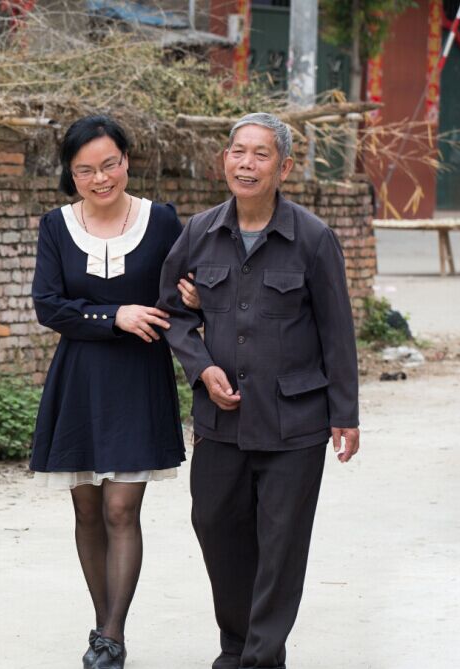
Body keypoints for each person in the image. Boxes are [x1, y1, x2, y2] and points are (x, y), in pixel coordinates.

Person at [157, 112, 361, 669]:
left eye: (261, 154)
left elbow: (337, 332)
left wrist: (345, 414)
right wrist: (202, 368)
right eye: (238, 152)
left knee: (281, 544)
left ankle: (258, 658)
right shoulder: (199, 233)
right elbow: (173, 312)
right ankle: (238, 643)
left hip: (295, 420)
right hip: (221, 422)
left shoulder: (313, 239)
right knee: (214, 526)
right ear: (224, 159)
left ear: (284, 167)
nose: (246, 164)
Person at [30, 115, 199, 669]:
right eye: (85, 170)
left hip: (138, 376)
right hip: (79, 378)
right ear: (70, 173)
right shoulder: (56, 226)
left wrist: (194, 299)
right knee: (87, 511)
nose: (100, 178)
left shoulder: (161, 221)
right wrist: (113, 315)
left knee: (122, 509)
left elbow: (184, 288)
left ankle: (113, 634)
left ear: (126, 160)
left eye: (109, 164)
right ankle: (103, 631)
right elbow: (48, 306)